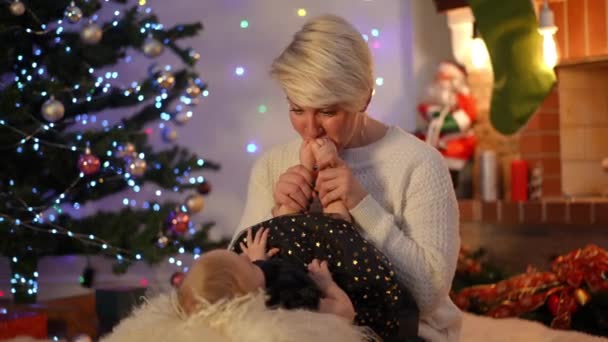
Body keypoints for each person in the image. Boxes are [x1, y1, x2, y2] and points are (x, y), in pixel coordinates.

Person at [232, 14, 462, 341]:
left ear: (364, 98)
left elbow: (427, 295)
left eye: (327, 112)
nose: (310, 130)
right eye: (297, 109)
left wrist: (361, 204)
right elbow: (233, 281)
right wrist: (276, 217)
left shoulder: (420, 164)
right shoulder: (272, 165)